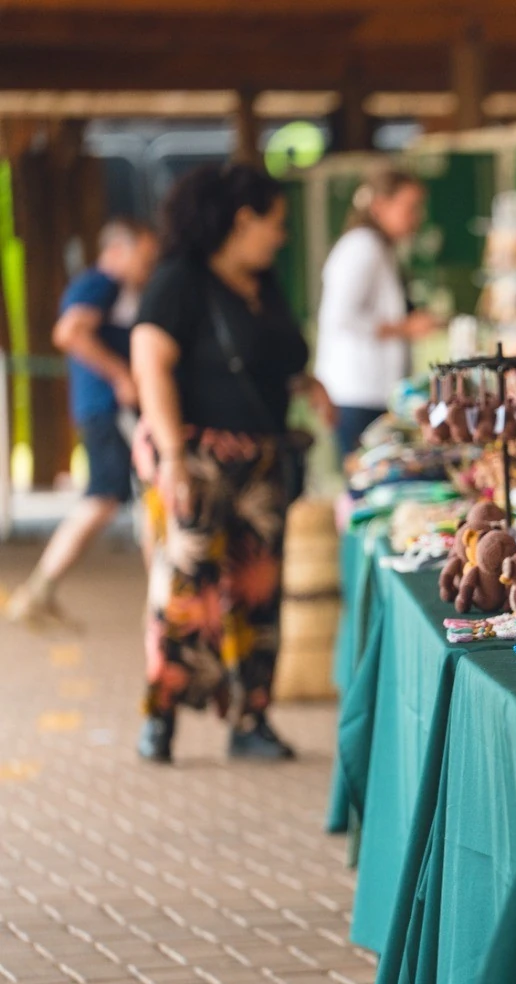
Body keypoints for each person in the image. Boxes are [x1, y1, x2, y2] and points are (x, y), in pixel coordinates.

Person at [131, 162, 335, 764]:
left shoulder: (261, 284)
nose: (282, 235)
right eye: (276, 223)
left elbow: (268, 357)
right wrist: (171, 457)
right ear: (242, 220)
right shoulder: (179, 282)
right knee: (187, 590)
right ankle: (162, 715)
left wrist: (305, 383)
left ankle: (251, 716)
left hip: (262, 461)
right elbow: (151, 367)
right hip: (195, 459)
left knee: (259, 589)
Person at [6, 220, 160, 624]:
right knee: (114, 497)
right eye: (144, 256)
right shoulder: (102, 283)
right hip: (110, 410)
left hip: (103, 408)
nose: (149, 265)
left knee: (119, 498)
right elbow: (70, 332)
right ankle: (41, 589)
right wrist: (121, 375)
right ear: (118, 251)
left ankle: (42, 589)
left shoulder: (110, 289)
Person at [315, 167, 436, 458]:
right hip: (356, 393)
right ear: (380, 206)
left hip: (374, 391)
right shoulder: (361, 248)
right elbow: (341, 316)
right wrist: (405, 328)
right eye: (409, 207)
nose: (416, 217)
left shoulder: (382, 248)